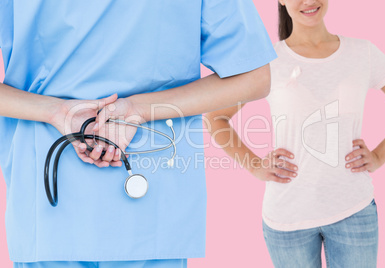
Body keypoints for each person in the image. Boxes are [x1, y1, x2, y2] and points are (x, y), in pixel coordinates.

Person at [0, 0, 278, 267]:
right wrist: (138, 109)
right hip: (150, 205)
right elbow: (254, 77)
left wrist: (56, 111)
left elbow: (255, 78)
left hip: (46, 202)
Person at [205, 0, 385, 267]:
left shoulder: (363, 52)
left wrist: (379, 155)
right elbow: (216, 117)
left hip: (353, 210)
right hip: (287, 218)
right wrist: (255, 166)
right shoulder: (269, 62)